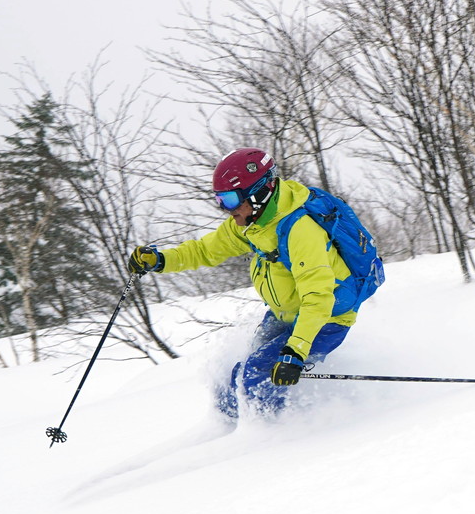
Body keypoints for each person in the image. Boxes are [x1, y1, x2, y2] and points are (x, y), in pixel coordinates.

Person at [127, 148, 380, 420]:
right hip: (286, 313)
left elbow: (318, 296)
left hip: (325, 318)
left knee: (256, 375)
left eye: (229, 199)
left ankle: (268, 439)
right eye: (220, 199)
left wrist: (295, 351)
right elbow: (205, 250)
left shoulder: (300, 229)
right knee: (235, 375)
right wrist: (162, 260)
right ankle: (226, 430)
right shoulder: (251, 223)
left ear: (260, 192)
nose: (226, 209)